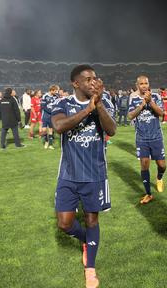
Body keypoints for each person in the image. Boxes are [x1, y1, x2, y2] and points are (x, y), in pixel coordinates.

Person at [51, 65, 116, 288]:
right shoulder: (62, 103)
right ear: (75, 83)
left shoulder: (102, 102)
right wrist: (87, 109)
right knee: (64, 223)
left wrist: (98, 106)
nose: (93, 82)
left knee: (92, 220)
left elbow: (112, 130)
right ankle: (87, 241)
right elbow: (59, 126)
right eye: (87, 79)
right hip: (68, 175)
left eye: (95, 79)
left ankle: (91, 270)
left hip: (95, 174)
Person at [127, 76, 167, 204]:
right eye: (141, 83)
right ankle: (148, 194)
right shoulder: (133, 98)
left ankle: (159, 178)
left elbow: (161, 113)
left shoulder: (155, 96)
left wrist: (150, 102)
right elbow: (130, 116)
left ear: (149, 84)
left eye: (146, 83)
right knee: (144, 164)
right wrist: (142, 104)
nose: (144, 85)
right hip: (142, 138)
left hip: (156, 136)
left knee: (162, 165)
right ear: (137, 85)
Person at [41, 85, 59, 149]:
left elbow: (58, 104)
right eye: (55, 91)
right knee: (44, 130)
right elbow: (43, 106)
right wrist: (51, 111)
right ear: (51, 90)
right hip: (45, 116)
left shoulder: (56, 96)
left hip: (52, 116)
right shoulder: (45, 96)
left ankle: (50, 145)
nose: (56, 92)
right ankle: (46, 141)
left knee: (51, 130)